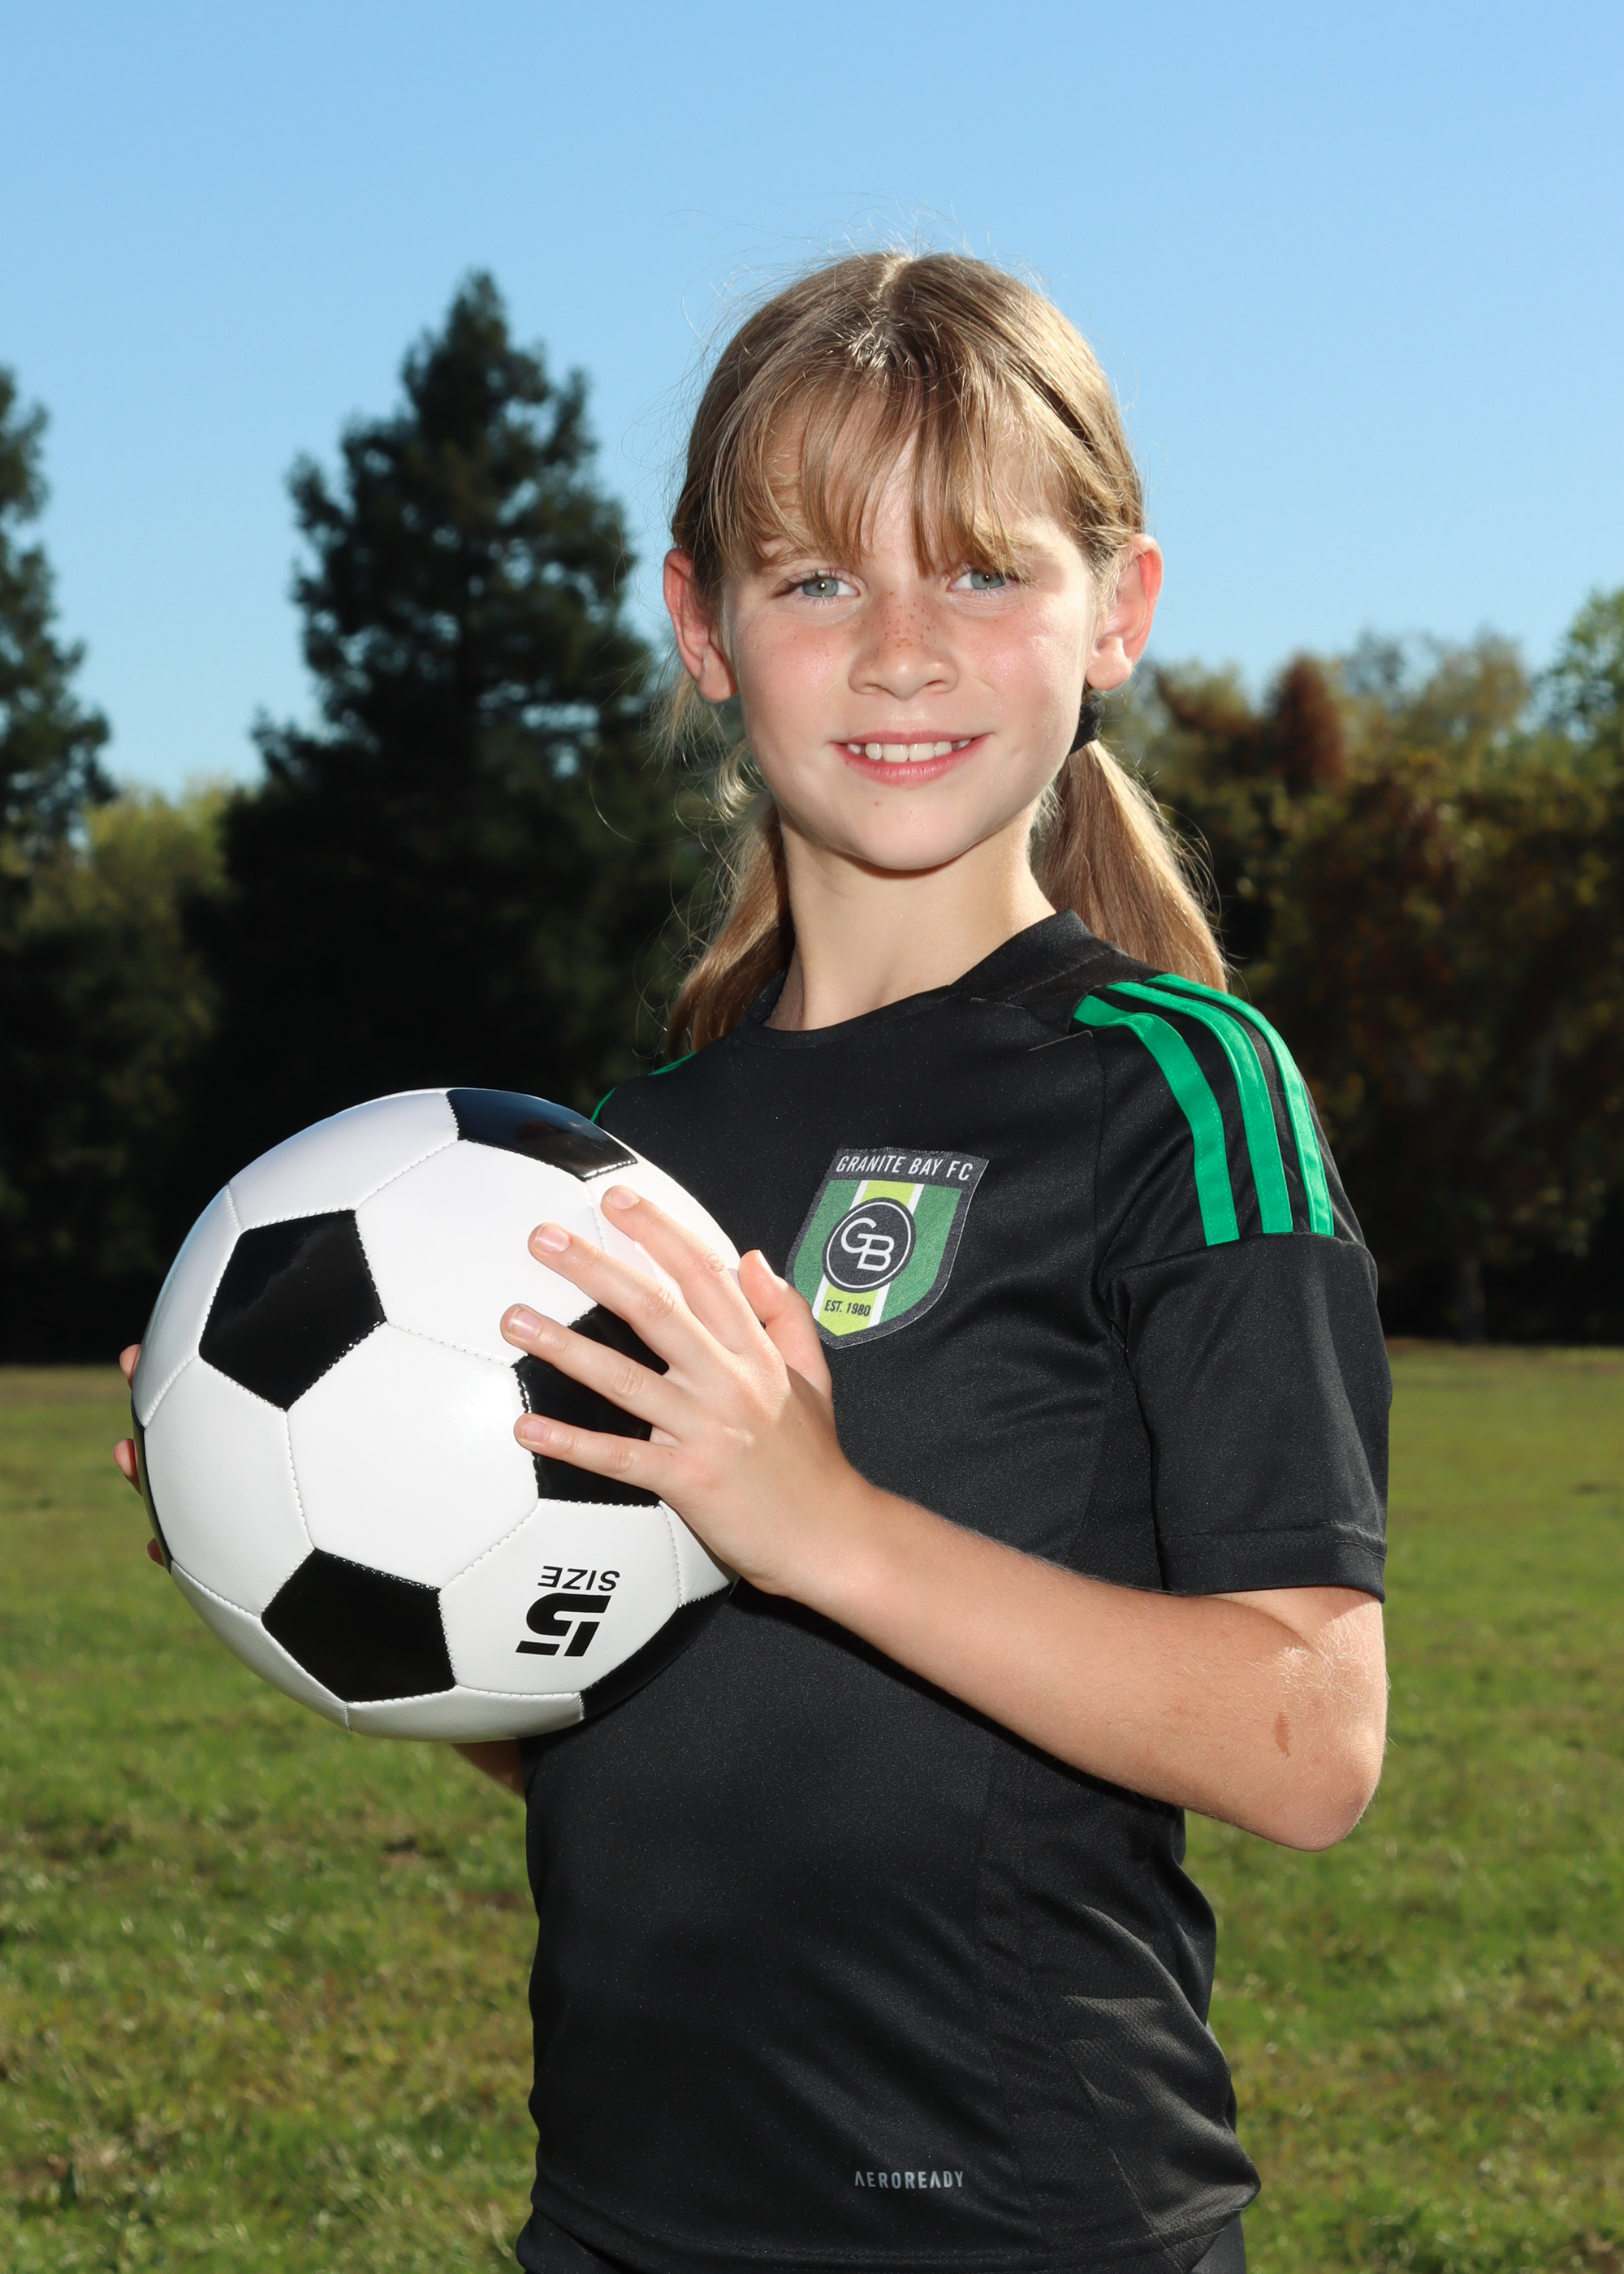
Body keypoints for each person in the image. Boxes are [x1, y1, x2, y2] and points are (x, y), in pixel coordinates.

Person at [120, 251, 1389, 2274]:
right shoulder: (618, 1157)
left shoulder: (1173, 1085)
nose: (902, 651)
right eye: (814, 580)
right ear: (701, 627)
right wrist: (290, 1517)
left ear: (1117, 610)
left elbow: (1311, 1740)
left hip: (1021, 2225)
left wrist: (826, 1525)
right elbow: (629, 1714)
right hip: (621, 2218)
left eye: (980, 571)